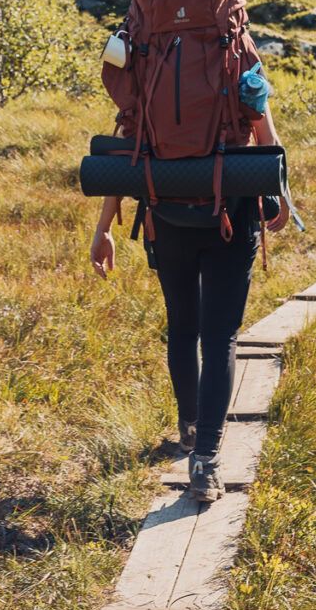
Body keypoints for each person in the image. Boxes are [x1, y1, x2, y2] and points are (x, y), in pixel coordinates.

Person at [89, 101, 290, 502]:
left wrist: (105, 227)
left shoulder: (149, 56)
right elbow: (267, 138)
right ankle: (205, 462)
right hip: (231, 216)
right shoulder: (234, 49)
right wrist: (283, 195)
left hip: (165, 215)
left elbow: (124, 147)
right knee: (220, 338)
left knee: (182, 326)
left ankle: (191, 428)